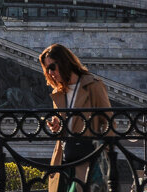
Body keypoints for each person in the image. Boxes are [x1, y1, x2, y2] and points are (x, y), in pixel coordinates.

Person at [39, 44, 111, 192]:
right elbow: (65, 127)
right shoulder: (58, 93)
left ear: (64, 62)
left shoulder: (93, 86)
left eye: (52, 67)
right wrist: (57, 127)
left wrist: (105, 155)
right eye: (47, 69)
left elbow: (109, 123)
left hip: (88, 158)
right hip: (65, 159)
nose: (50, 72)